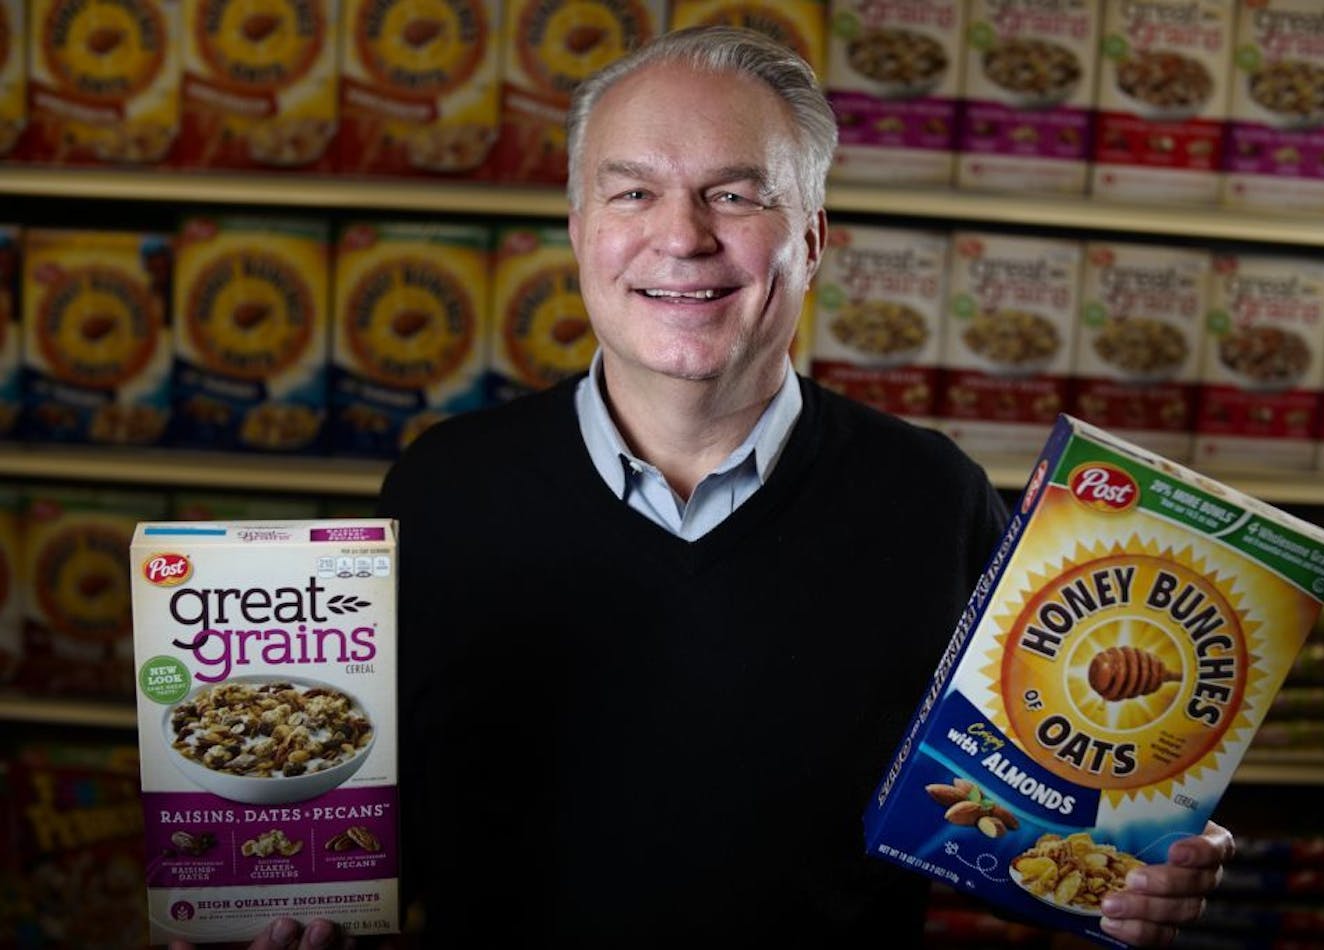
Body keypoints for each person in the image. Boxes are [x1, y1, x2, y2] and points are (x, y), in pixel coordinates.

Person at [178, 25, 1232, 950]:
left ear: (810, 240)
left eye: (734, 194)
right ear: (580, 229)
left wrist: (1144, 863)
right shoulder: (440, 486)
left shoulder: (931, 496)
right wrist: (275, 901)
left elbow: (1034, 818)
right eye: (632, 190)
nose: (679, 236)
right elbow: (363, 814)